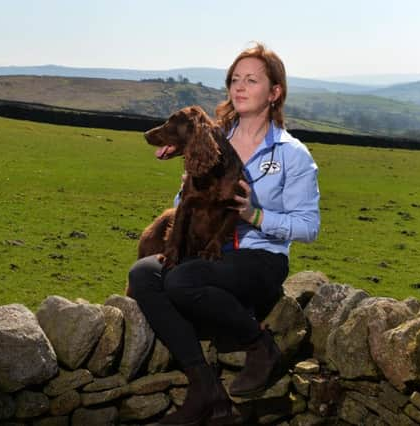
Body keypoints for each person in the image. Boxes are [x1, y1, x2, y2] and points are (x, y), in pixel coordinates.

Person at [127, 42, 320, 426]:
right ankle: (205, 389)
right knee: (144, 275)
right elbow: (188, 201)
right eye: (235, 79)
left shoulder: (292, 155)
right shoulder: (211, 139)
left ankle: (260, 345)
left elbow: (309, 226)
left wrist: (256, 214)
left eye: (252, 80)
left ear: (275, 92)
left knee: (181, 280)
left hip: (258, 260)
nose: (240, 87)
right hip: (209, 254)